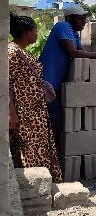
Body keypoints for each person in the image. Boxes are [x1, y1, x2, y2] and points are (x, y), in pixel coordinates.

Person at [39, 5, 96, 157]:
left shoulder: (74, 35)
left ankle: (51, 161)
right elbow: (73, 53)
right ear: (69, 18)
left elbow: (83, 55)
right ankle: (46, 162)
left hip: (56, 87)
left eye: (85, 17)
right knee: (53, 125)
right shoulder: (62, 26)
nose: (84, 21)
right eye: (80, 18)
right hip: (46, 84)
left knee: (58, 125)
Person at [8, 13, 63, 182]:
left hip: (34, 113)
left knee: (39, 149)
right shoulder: (11, 52)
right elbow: (6, 84)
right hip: (25, 115)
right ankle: (35, 188)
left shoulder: (20, 51)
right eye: (34, 30)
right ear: (26, 32)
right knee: (30, 152)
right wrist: (12, 113)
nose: (37, 34)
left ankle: (43, 187)